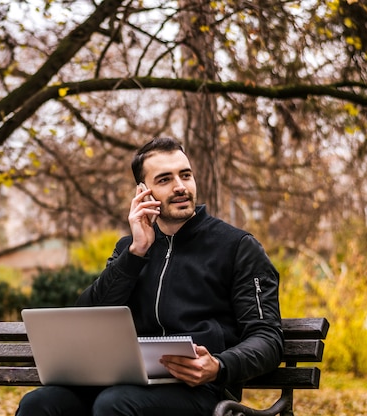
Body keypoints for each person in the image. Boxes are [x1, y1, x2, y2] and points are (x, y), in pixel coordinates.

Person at [16, 137, 283, 416]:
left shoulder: (237, 246)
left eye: (186, 175)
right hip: (122, 381)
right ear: (143, 192)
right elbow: (87, 316)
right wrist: (135, 253)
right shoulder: (129, 249)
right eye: (165, 179)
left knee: (115, 403)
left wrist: (220, 365)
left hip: (200, 390)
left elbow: (267, 337)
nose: (180, 187)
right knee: (39, 404)